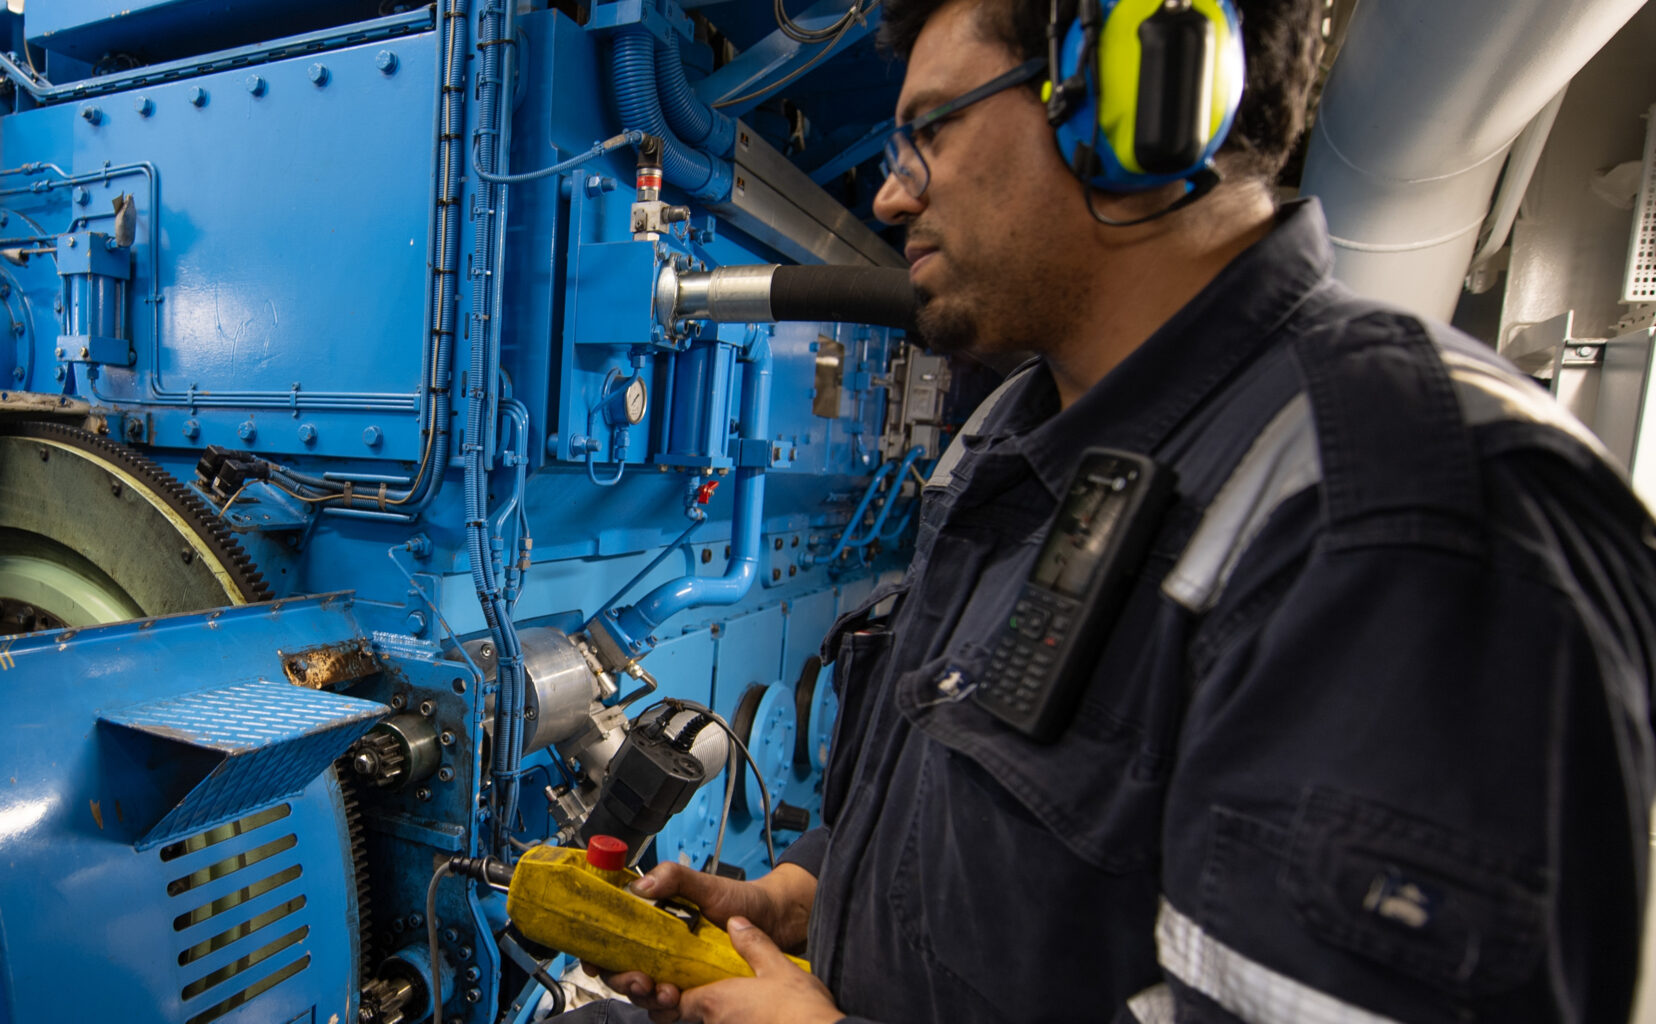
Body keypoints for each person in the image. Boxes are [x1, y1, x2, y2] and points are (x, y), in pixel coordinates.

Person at [583, 0, 1656, 1020]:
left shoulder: (1416, 511)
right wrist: (799, 899)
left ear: (1140, 95)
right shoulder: (1016, 437)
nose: (892, 196)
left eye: (929, 133)